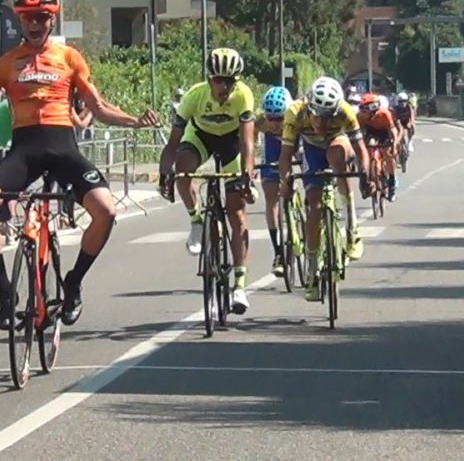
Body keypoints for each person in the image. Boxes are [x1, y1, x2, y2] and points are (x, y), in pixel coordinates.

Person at [0, 0, 156, 328]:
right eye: (28, 17)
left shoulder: (69, 58)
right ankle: (5, 292)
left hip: (63, 148)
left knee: (106, 212)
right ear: (20, 19)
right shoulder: (7, 63)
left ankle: (73, 283)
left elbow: (99, 107)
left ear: (52, 20)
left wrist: (135, 121)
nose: (35, 23)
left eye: (42, 17)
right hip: (25, 151)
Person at [157, 48, 257, 314]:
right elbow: (173, 142)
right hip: (201, 136)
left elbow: (247, 142)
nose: (224, 86)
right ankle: (196, 219)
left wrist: (247, 173)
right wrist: (164, 173)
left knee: (236, 215)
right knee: (183, 167)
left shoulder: (244, 95)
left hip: (231, 142)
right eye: (218, 80)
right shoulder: (195, 96)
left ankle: (239, 286)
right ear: (209, 78)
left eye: (230, 81)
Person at [279, 77, 369, 302]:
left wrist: (366, 175)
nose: (320, 123)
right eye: (316, 115)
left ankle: (351, 227)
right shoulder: (295, 113)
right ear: (308, 107)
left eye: (328, 117)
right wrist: (286, 180)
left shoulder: (346, 112)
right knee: (314, 208)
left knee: (336, 155)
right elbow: (285, 156)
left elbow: (361, 149)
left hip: (336, 144)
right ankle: (311, 268)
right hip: (311, 150)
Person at [255, 86, 291, 278]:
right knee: (271, 198)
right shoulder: (261, 121)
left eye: (280, 118)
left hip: (293, 144)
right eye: (271, 118)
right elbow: (249, 137)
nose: (275, 123)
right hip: (272, 149)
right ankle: (278, 252)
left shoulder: (296, 117)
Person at [357, 92, 401, 201]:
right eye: (361, 109)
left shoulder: (384, 114)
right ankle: (367, 178)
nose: (362, 112)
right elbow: (357, 133)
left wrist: (394, 144)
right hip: (371, 132)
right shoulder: (360, 117)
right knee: (368, 148)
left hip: (384, 132)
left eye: (364, 110)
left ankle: (391, 181)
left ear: (372, 109)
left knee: (387, 153)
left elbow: (392, 130)